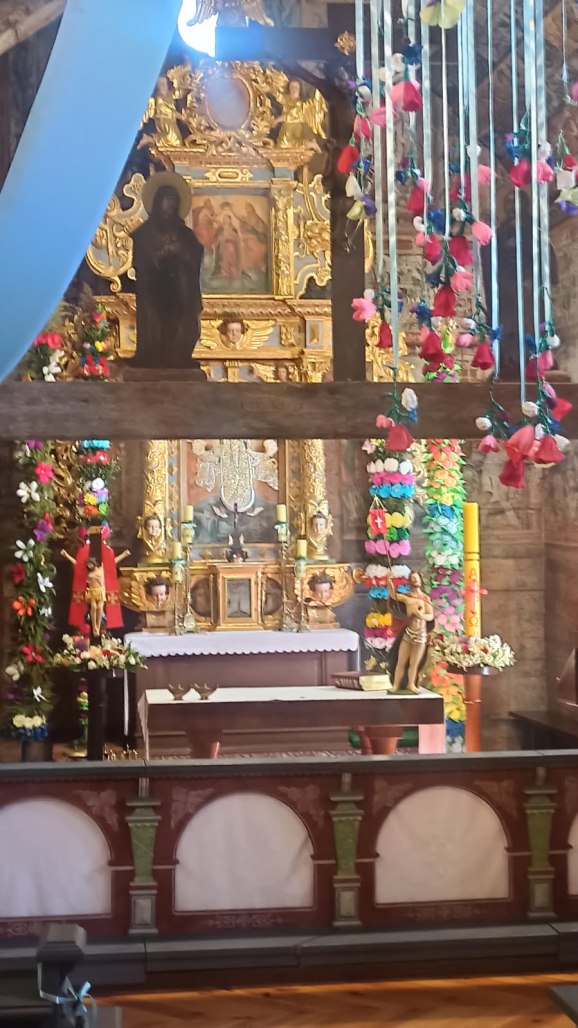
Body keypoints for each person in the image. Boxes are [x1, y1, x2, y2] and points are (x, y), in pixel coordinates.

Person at [131, 172, 204, 368]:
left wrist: (181, 255)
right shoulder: (144, 233)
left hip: (181, 293)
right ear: (157, 201)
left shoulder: (186, 234)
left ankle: (179, 356)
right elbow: (141, 262)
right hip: (155, 291)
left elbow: (196, 256)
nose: (171, 204)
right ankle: (153, 356)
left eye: (174, 200)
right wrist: (161, 256)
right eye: (167, 199)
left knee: (184, 322)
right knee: (155, 326)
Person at [387, 571, 434, 693]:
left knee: (414, 662)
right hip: (408, 632)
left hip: (420, 634)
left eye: (417, 578)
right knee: (401, 660)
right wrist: (390, 582)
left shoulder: (425, 598)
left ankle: (411, 684)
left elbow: (430, 616)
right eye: (413, 579)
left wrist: (420, 615)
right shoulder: (407, 597)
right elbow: (394, 595)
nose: (415, 581)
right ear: (409, 582)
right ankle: (396, 685)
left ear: (421, 581)